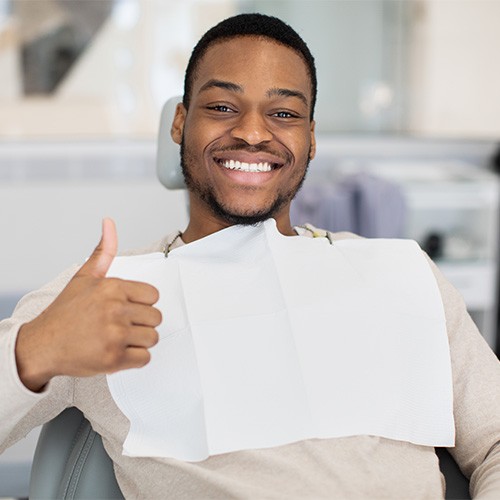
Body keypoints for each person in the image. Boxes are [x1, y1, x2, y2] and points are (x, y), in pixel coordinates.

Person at [1, 13, 499, 499]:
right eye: (222, 106)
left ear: (311, 138)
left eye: (284, 114)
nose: (254, 133)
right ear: (180, 122)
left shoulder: (402, 276)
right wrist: (36, 349)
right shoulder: (110, 290)